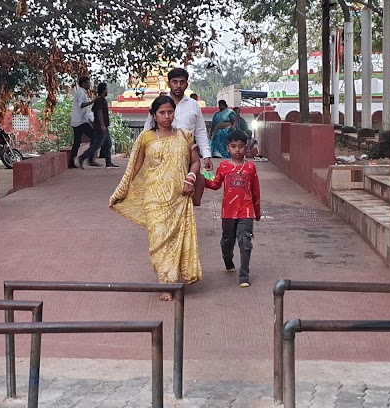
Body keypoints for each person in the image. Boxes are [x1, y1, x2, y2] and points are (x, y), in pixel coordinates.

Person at [109, 94, 201, 296]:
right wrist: (122, 190)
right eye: (162, 113)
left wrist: (190, 179)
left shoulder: (185, 135)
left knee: (176, 239)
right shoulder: (146, 138)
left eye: (170, 112)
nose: (167, 116)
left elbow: (195, 161)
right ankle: (166, 283)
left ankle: (170, 280)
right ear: (153, 115)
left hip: (179, 196)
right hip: (154, 198)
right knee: (158, 240)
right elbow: (135, 167)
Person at [203, 131, 262, 286]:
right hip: (228, 211)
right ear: (227, 148)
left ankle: (244, 276)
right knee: (227, 241)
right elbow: (216, 184)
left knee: (245, 241)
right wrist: (202, 180)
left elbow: (255, 190)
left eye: (241, 147)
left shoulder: (250, 167)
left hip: (246, 210)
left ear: (246, 147)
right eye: (234, 146)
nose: (237, 150)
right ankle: (228, 260)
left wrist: (257, 212)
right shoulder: (224, 166)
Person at [166, 67, 210, 161]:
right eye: (175, 82)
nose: (178, 85)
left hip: (188, 156)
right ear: (169, 84)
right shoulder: (159, 104)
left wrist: (206, 155)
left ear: (186, 84)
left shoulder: (194, 105)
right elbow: (149, 129)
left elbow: (200, 131)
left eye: (182, 82)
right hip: (163, 155)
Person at [67, 78, 95, 169]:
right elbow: (81, 104)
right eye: (87, 83)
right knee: (94, 137)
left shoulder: (81, 92)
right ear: (83, 84)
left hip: (80, 120)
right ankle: (87, 158)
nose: (89, 84)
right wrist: (92, 101)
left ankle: (71, 162)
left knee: (77, 142)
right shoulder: (81, 93)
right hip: (80, 121)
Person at [91, 82, 118, 168]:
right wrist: (102, 125)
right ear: (103, 90)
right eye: (106, 89)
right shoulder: (100, 100)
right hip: (101, 126)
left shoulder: (100, 100)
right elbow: (99, 112)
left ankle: (108, 162)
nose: (107, 91)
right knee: (103, 144)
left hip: (102, 126)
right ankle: (85, 157)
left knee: (106, 144)